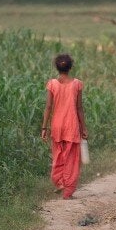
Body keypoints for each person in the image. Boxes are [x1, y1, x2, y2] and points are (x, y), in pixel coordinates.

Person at [41, 54, 88, 200]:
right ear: (70, 67)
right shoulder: (77, 84)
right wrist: (84, 128)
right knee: (72, 159)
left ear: (56, 66)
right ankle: (68, 191)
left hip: (57, 126)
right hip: (72, 126)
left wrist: (44, 128)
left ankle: (59, 182)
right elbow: (79, 108)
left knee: (58, 156)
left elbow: (48, 107)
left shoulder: (52, 84)